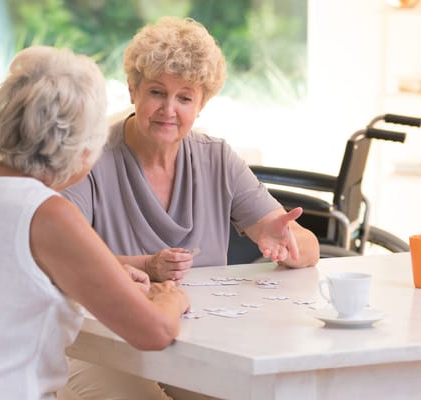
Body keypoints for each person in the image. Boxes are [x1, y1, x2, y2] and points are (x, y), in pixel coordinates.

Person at [61, 16, 320, 399]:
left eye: (184, 97)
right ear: (132, 89)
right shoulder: (89, 158)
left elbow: (305, 244)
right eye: (156, 92)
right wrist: (146, 264)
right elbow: (65, 261)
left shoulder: (217, 158)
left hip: (201, 341)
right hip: (102, 342)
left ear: (201, 104)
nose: (169, 109)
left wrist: (287, 241)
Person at [0, 45, 190, 400]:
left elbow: (10, 275)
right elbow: (154, 332)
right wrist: (171, 298)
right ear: (80, 146)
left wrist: (101, 275)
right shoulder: (47, 212)